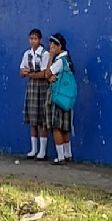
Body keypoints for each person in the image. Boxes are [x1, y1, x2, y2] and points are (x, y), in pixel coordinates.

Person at [29, 33, 75, 165]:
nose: (50, 48)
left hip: (56, 97)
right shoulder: (67, 60)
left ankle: (60, 157)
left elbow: (48, 72)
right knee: (64, 127)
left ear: (59, 46)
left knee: (56, 127)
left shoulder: (60, 60)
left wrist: (50, 57)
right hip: (66, 98)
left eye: (53, 45)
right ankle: (68, 153)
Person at [20, 28, 50, 160]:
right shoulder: (27, 54)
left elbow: (43, 73)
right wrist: (27, 73)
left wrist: (30, 73)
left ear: (40, 40)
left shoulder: (45, 54)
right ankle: (34, 149)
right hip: (32, 87)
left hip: (42, 87)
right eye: (31, 38)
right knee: (32, 119)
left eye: (35, 39)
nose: (33, 41)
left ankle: (42, 151)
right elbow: (21, 72)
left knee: (42, 119)